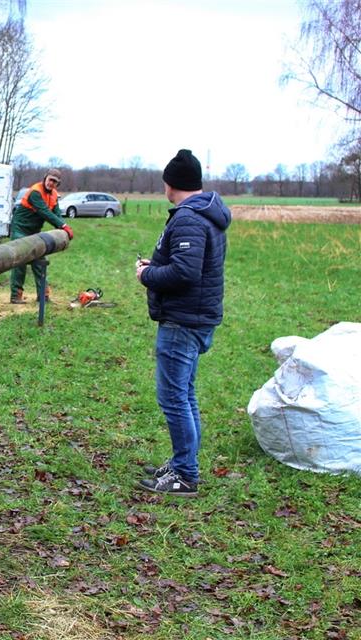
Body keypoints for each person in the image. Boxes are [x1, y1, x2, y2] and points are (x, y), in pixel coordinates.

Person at [136, 149, 231, 496]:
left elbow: (185, 272)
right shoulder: (204, 213)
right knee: (184, 395)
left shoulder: (190, 218)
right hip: (194, 316)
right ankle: (181, 463)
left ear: (170, 183)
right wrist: (157, 266)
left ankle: (185, 475)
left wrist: (147, 274)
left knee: (174, 398)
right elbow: (191, 263)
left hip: (183, 320)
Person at [8, 169, 74, 304]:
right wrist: (63, 226)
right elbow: (44, 212)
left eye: (55, 182)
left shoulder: (54, 195)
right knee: (20, 261)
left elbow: (56, 213)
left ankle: (43, 296)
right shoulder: (35, 192)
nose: (51, 183)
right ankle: (16, 296)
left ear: (58, 184)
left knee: (40, 262)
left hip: (34, 231)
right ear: (45, 178)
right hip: (20, 228)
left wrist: (62, 229)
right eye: (50, 180)